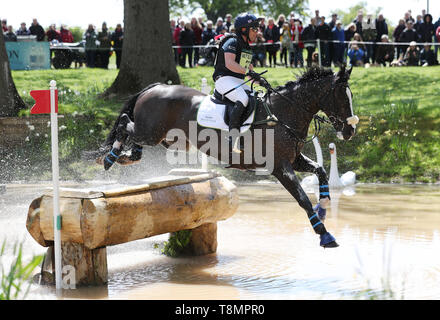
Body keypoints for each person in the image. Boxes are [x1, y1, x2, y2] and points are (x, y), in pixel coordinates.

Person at [212, 13, 262, 153]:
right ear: (244, 29)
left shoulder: (246, 47)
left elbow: (248, 69)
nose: (257, 32)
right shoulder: (232, 41)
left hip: (237, 81)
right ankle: (232, 138)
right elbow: (229, 63)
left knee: (257, 97)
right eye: (254, 29)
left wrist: (260, 81)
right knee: (243, 98)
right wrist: (247, 73)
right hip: (223, 79)